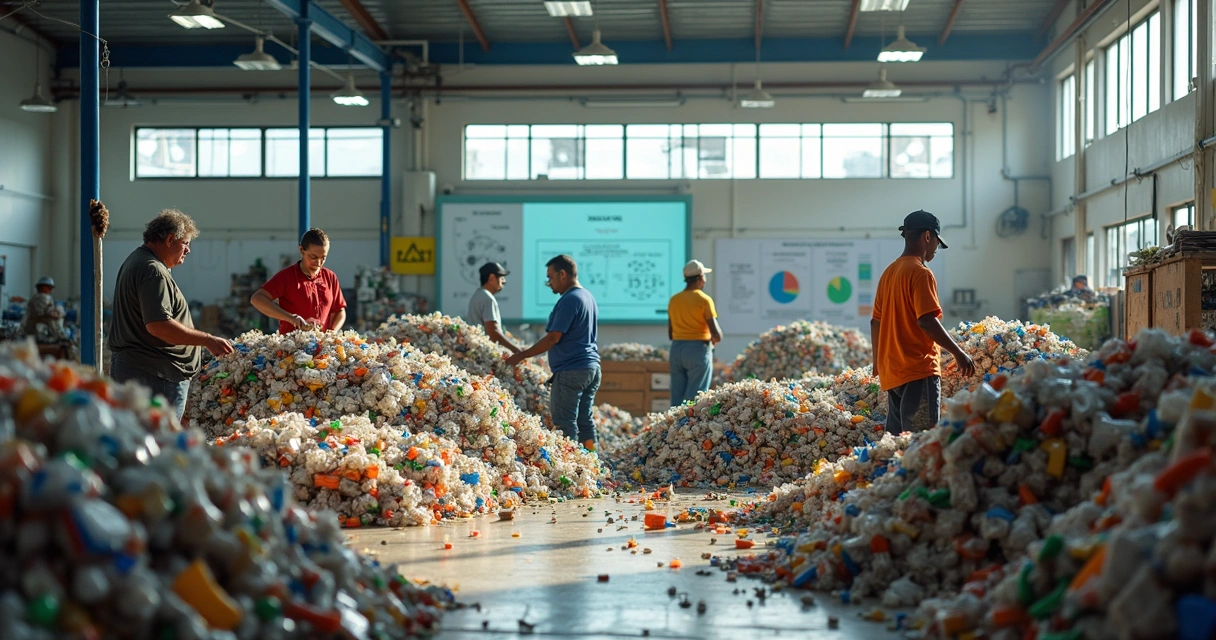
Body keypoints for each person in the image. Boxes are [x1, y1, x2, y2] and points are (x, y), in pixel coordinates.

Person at [109, 209, 235, 420]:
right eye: (186, 243)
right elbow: (158, 325)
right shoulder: (153, 271)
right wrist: (207, 340)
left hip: (142, 371)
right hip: (154, 375)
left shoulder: (137, 261)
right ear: (169, 240)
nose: (188, 250)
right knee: (157, 435)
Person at [871, 210, 976, 435]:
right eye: (937, 241)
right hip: (917, 371)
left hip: (892, 373)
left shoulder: (888, 273)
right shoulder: (920, 273)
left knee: (898, 444)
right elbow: (927, 320)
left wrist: (877, 363)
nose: (936, 248)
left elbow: (875, 322)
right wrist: (958, 353)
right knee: (920, 441)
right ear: (928, 236)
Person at [506, 255, 600, 450]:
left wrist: (522, 355)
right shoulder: (587, 296)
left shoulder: (569, 300)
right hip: (591, 368)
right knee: (585, 421)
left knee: (564, 423)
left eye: (550, 277)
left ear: (562, 274)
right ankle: (593, 459)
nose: (549, 283)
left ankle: (573, 464)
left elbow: (553, 338)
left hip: (571, 370)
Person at [251, 228, 347, 334]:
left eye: (323, 258)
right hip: (292, 341)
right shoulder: (287, 277)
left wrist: (332, 332)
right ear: (301, 250)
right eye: (313, 257)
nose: (319, 263)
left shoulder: (330, 277)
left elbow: (339, 310)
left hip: (322, 341)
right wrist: (291, 318)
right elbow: (257, 299)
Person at [667, 260, 723, 406]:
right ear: (700, 278)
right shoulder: (704, 300)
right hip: (698, 351)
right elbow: (716, 335)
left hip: (676, 350)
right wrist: (713, 344)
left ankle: (674, 421)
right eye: (704, 276)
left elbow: (670, 333)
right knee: (694, 401)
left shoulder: (674, 300)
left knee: (677, 400)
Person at [467, 262, 521, 353]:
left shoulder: (477, 295)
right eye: (501, 278)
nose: (504, 281)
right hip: (485, 351)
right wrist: (516, 350)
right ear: (491, 278)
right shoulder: (487, 298)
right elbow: (493, 332)